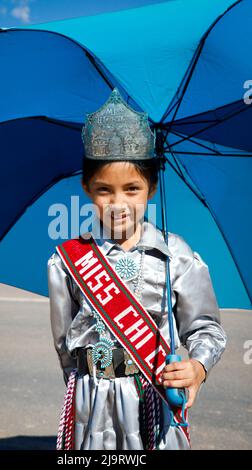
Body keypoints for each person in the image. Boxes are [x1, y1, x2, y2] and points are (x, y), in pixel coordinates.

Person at [47, 88, 227, 450]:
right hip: (91, 403)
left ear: (152, 186)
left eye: (132, 188)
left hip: (152, 397)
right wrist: (84, 386)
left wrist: (197, 368)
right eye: (103, 190)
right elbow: (65, 345)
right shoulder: (67, 260)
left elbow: (207, 328)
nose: (118, 203)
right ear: (86, 188)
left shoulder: (174, 253)